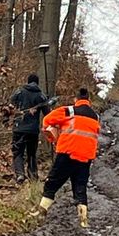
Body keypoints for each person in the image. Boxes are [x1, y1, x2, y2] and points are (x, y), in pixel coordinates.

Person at [32, 88, 100, 228]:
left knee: (52, 183)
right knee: (80, 187)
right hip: (86, 156)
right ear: (89, 101)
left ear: (75, 99)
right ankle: (83, 220)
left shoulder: (70, 111)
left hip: (67, 152)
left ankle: (41, 212)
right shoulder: (95, 117)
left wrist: (53, 133)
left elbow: (47, 120)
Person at [6, 74, 50, 183]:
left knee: (18, 152)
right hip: (33, 130)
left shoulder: (19, 92)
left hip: (18, 128)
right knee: (31, 154)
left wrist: (6, 120)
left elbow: (9, 107)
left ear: (27, 81)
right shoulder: (41, 96)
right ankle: (33, 177)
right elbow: (48, 114)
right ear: (37, 83)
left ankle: (20, 174)